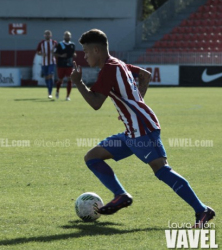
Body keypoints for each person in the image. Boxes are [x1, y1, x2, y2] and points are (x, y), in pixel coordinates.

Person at [70, 29, 215, 228]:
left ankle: (202, 210)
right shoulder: (119, 64)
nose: (85, 57)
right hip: (132, 131)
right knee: (92, 156)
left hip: (143, 130)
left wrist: (78, 83)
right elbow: (145, 76)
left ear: (96, 49)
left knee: (162, 170)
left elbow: (96, 103)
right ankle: (120, 195)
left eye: (86, 52)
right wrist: (135, 104)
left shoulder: (109, 69)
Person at [53, 31, 76, 101]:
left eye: (68, 36)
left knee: (70, 79)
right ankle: (57, 91)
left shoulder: (72, 45)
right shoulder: (60, 44)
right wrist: (61, 55)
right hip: (61, 64)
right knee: (60, 80)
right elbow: (54, 54)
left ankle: (68, 96)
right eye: (66, 36)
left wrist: (74, 55)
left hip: (69, 65)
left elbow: (73, 53)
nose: (67, 37)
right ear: (64, 36)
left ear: (70, 37)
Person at [36, 30, 57, 99]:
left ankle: (50, 93)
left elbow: (58, 50)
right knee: (47, 77)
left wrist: (54, 52)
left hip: (51, 62)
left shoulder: (54, 42)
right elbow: (37, 52)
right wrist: (42, 54)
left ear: (51, 35)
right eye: (46, 34)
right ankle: (49, 90)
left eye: (49, 34)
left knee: (50, 76)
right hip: (44, 63)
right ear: (44, 35)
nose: (47, 35)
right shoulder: (41, 43)